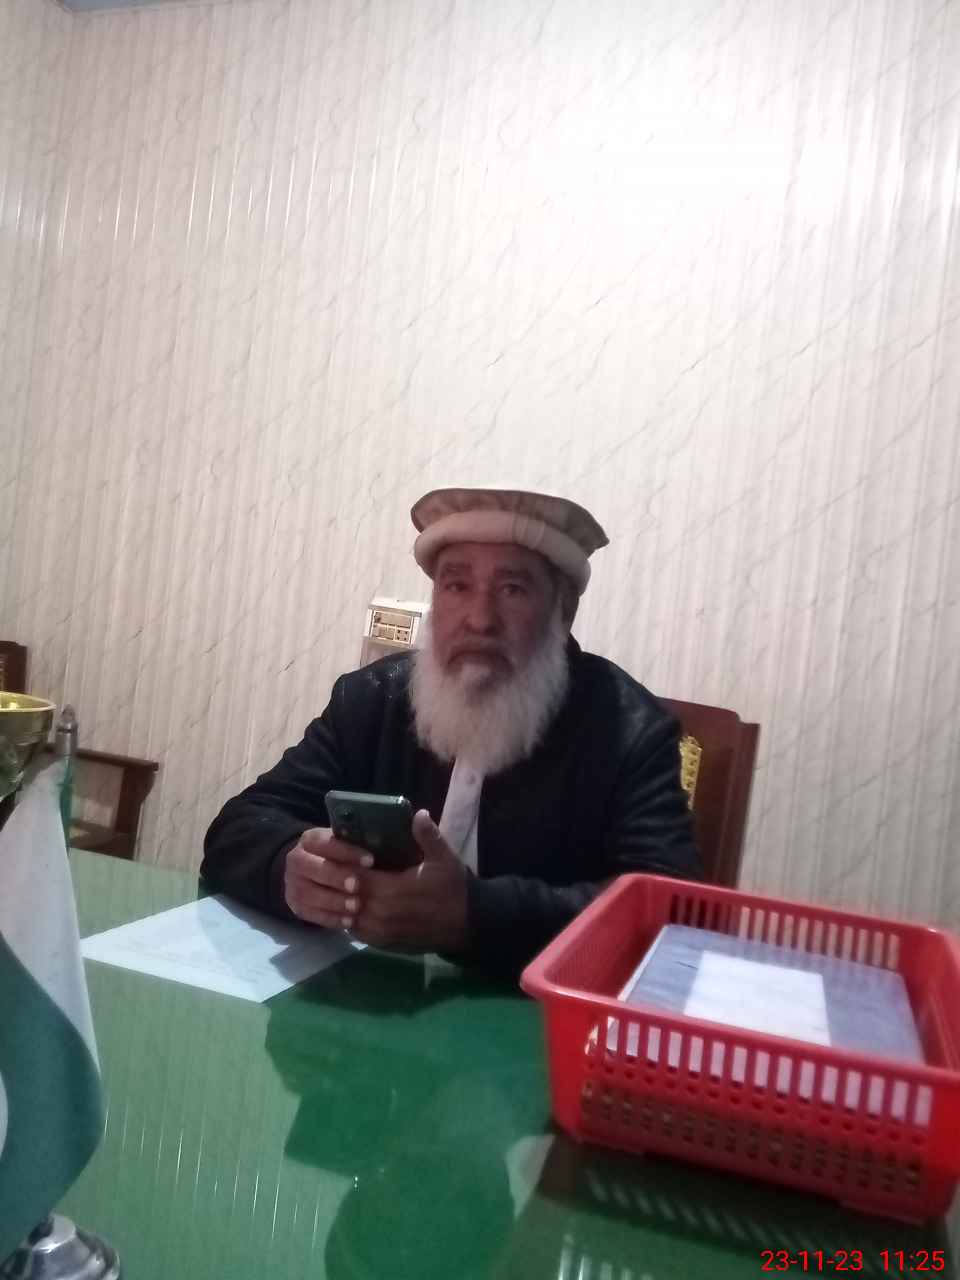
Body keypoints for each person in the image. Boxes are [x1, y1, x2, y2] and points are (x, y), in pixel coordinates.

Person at [201, 486, 701, 977]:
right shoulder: (372, 700)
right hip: (368, 998)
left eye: (513, 589)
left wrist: (475, 916)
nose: (480, 620)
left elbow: (669, 910)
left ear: (562, 610)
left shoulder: (629, 729)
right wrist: (289, 867)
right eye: (457, 586)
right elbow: (239, 826)